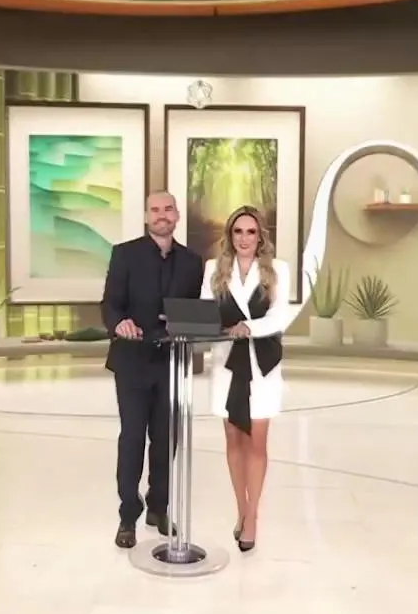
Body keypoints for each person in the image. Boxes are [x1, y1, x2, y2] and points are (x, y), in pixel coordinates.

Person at [101, 191, 206, 549]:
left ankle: (158, 508)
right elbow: (110, 304)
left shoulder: (193, 262)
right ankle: (128, 514)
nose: (162, 215)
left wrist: (185, 323)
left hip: (172, 363)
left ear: (177, 216)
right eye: (155, 210)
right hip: (132, 362)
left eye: (168, 209)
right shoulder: (124, 254)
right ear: (146, 216)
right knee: (132, 437)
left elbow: (196, 312)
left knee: (165, 439)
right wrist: (120, 323)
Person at [199, 205, 290, 553]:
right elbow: (207, 312)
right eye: (238, 232)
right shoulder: (214, 269)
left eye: (251, 232)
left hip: (262, 365)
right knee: (233, 439)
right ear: (230, 236)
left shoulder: (277, 270)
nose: (244, 238)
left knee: (256, 443)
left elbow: (280, 316)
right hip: (226, 364)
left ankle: (253, 518)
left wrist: (248, 327)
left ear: (260, 236)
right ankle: (241, 510)